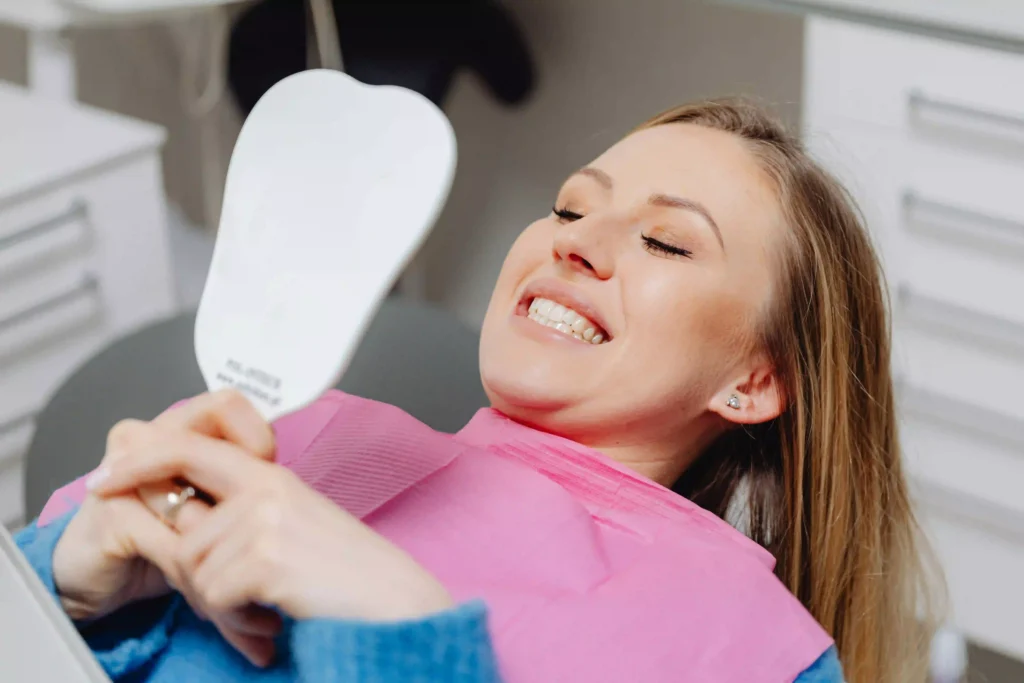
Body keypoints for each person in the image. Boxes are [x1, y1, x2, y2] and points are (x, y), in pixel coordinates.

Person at [16, 99, 938, 683]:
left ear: (754, 379)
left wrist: (403, 636)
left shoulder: (749, 650)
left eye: (666, 242)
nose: (571, 240)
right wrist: (59, 584)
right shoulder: (291, 433)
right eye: (572, 206)